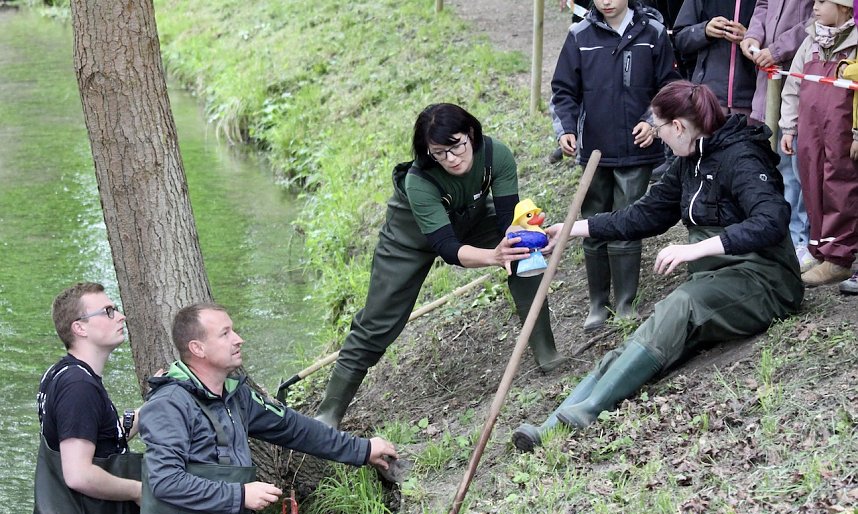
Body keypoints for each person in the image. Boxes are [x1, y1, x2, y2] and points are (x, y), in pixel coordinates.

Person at [513, 81, 803, 452]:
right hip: (719, 280)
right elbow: (644, 216)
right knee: (642, 336)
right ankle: (551, 425)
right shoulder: (687, 162)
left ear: (679, 126)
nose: (660, 138)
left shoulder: (741, 156)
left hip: (766, 280)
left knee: (681, 303)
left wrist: (694, 250)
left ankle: (589, 410)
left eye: (660, 129)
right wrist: (570, 230)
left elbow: (772, 220)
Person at [313, 103, 564, 429]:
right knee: (376, 323)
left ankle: (548, 354)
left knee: (523, 252)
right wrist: (493, 256)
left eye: (457, 146)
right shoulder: (420, 180)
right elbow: (446, 247)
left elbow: (506, 221)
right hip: (409, 240)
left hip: (469, 220)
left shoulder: (496, 155)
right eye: (439, 153)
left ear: (471, 134)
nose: (452, 159)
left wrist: (520, 238)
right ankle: (329, 414)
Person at [136, 302, 398, 514]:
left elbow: (295, 429)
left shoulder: (237, 396)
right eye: (225, 334)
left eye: (233, 331)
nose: (239, 339)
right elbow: (166, 481)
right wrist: (240, 495)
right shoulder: (168, 404)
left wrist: (362, 450)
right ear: (197, 348)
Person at [550, 0, 680, 332]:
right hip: (593, 150)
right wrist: (565, 129)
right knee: (592, 222)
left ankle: (625, 302)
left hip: (638, 149)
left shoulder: (652, 32)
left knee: (627, 221)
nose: (606, 1)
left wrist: (652, 122)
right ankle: (597, 303)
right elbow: (563, 91)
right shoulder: (579, 35)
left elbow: (669, 86)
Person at [32, 283, 142, 514]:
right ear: (79, 328)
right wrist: (139, 491)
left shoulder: (63, 373)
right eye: (108, 311)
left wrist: (150, 412)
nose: (120, 316)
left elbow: (97, 440)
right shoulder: (78, 386)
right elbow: (78, 474)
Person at [779, 0, 857, 285]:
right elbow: (792, 87)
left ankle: (839, 257)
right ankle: (819, 249)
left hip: (842, 133)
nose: (814, 7)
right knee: (812, 186)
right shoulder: (811, 41)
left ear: (846, 8)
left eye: (823, 1)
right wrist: (788, 128)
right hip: (810, 133)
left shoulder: (855, 43)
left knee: (840, 188)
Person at [740, 0, 816, 271]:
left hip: (800, 83)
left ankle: (801, 240)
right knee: (775, 169)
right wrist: (752, 37)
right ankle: (778, 238)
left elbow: (818, 18)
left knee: (797, 171)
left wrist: (777, 50)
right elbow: (762, 6)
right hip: (767, 85)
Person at [673, 0, 758, 117]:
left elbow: (776, 47)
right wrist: (704, 30)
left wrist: (750, 37)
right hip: (708, 98)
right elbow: (680, 37)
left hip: (752, 100)